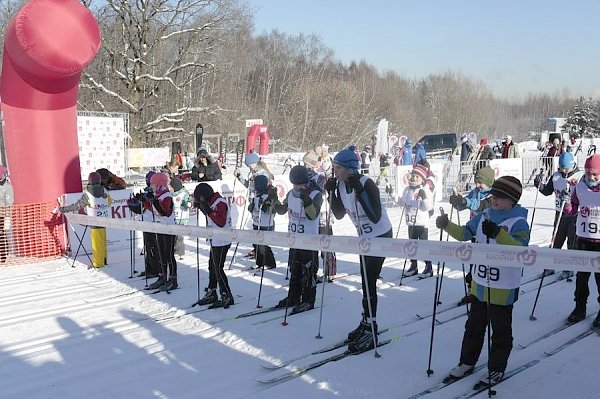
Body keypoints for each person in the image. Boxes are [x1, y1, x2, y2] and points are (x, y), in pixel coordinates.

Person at [436, 175, 530, 387]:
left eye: (501, 197)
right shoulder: (485, 214)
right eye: (494, 196)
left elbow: (521, 250)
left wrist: (498, 233)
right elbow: (464, 234)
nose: (495, 200)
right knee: (474, 326)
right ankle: (467, 362)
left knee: (500, 331)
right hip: (479, 284)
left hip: (503, 288)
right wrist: (447, 225)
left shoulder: (519, 221)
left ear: (512, 200)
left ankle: (496, 368)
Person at [326, 145, 392, 353]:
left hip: (381, 236)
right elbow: (338, 214)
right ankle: (365, 321)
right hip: (364, 239)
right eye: (334, 167)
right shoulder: (341, 186)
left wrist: (360, 191)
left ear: (348, 168)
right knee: (365, 280)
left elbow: (375, 215)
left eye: (337, 167)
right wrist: (330, 193)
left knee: (369, 279)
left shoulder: (366, 183)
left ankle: (371, 325)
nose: (334, 171)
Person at [273, 165, 322, 314]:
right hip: (294, 239)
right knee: (294, 270)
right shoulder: (291, 193)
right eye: (295, 184)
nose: (297, 187)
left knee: (308, 272)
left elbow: (312, 215)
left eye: (300, 184)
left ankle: (308, 300)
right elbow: (281, 210)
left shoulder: (315, 194)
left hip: (309, 241)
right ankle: (293, 297)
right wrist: (273, 197)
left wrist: (306, 199)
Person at [563, 154, 600, 327]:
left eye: (595, 174)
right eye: (588, 173)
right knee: (581, 278)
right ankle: (579, 308)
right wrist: (568, 206)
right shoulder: (579, 187)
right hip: (583, 239)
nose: (591, 177)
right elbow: (572, 209)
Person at [449, 166, 495, 304]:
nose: (477, 185)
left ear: (488, 182)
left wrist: (465, 202)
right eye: (476, 182)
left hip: (488, 234)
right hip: (474, 232)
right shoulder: (475, 191)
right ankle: (472, 291)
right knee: (473, 262)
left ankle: (488, 290)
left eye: (480, 182)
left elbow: (479, 205)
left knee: (485, 263)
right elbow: (465, 205)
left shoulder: (493, 195)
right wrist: (457, 201)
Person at [534, 152, 583, 279]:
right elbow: (547, 191)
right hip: (559, 213)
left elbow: (585, 196)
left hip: (574, 215)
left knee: (571, 242)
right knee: (556, 240)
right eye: (562, 168)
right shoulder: (556, 176)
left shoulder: (580, 176)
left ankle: (569, 267)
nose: (565, 171)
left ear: (573, 165)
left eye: (567, 168)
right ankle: (549, 266)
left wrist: (573, 199)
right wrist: (539, 186)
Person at [193, 183, 235, 308]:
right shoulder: (212, 201)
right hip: (215, 239)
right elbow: (210, 215)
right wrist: (202, 208)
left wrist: (208, 211)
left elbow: (221, 222)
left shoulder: (219, 202)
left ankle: (226, 294)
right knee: (212, 266)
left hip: (222, 240)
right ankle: (212, 291)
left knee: (218, 268)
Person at [60, 172, 112, 268]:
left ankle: (98, 264)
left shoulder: (88, 194)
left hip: (94, 221)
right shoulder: (104, 190)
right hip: (104, 220)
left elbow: (77, 205)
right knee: (103, 242)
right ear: (100, 180)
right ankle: (104, 261)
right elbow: (109, 202)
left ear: (89, 181)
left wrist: (64, 209)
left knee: (96, 244)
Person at [304, 150, 337, 282]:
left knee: (326, 245)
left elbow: (326, 182)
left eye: (308, 164)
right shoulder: (309, 175)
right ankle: (314, 271)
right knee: (314, 246)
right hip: (314, 215)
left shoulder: (320, 174)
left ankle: (330, 272)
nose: (306, 167)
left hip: (324, 214)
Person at [235, 151, 274, 259]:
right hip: (254, 202)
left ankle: (265, 258)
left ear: (255, 162)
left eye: (250, 165)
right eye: (248, 166)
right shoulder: (253, 173)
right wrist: (239, 177)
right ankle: (258, 255)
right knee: (255, 231)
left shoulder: (262, 172)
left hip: (261, 203)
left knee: (261, 234)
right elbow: (249, 185)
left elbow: (265, 188)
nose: (249, 167)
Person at [143, 172, 178, 291]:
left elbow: (165, 212)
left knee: (169, 255)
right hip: (159, 227)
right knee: (161, 254)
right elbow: (152, 209)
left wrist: (154, 201)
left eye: (153, 184)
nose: (151, 186)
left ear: (159, 184)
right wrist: (143, 200)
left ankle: (173, 279)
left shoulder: (166, 195)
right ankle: (163, 276)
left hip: (169, 228)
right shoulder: (157, 194)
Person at [399, 164, 434, 278]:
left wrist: (424, 197)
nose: (414, 178)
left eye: (417, 177)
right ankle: (413, 266)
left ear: (422, 179)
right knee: (411, 246)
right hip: (410, 222)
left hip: (422, 224)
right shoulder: (407, 189)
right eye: (413, 176)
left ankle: (428, 268)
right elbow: (402, 202)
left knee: (423, 247)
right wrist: (391, 194)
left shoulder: (424, 189)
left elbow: (428, 207)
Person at [126, 171, 161, 278]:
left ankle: (156, 270)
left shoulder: (157, 193)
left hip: (153, 224)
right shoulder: (147, 193)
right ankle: (149, 268)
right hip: (145, 223)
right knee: (147, 247)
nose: (147, 182)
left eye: (149, 180)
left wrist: (145, 200)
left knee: (153, 248)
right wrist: (136, 200)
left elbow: (155, 207)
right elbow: (140, 208)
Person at [248, 175, 277, 270]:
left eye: (256, 184)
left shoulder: (269, 195)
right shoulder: (256, 195)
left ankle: (270, 263)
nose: (254, 186)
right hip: (256, 222)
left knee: (263, 244)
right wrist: (251, 206)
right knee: (256, 243)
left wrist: (264, 205)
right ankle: (259, 262)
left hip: (266, 224)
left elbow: (271, 210)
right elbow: (252, 208)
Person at [171, 178, 190, 260]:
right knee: (174, 235)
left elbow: (187, 203)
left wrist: (186, 204)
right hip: (174, 217)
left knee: (179, 236)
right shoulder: (171, 194)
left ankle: (180, 251)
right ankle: (175, 249)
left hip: (182, 217)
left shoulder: (183, 194)